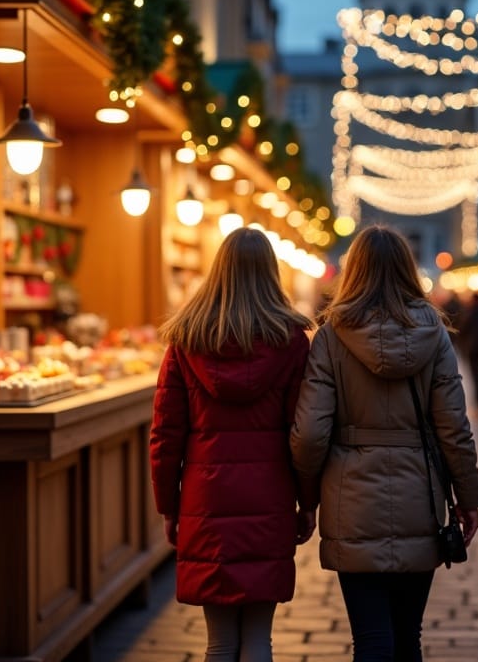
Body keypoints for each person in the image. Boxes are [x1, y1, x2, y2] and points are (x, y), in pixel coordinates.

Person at [291, 224, 478, 661]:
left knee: (371, 641)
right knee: (408, 637)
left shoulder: (330, 337)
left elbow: (309, 433)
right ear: (407, 271)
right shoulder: (433, 334)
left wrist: (307, 499)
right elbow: (453, 427)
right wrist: (468, 498)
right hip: (421, 495)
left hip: (351, 502)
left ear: (352, 272)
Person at [149, 227, 315, 662]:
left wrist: (169, 505)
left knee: (219, 642)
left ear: (217, 272)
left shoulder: (186, 340)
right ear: (270, 274)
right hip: (270, 497)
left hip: (207, 502)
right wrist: (308, 502)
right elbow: (304, 431)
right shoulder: (291, 341)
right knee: (259, 639)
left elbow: (165, 434)